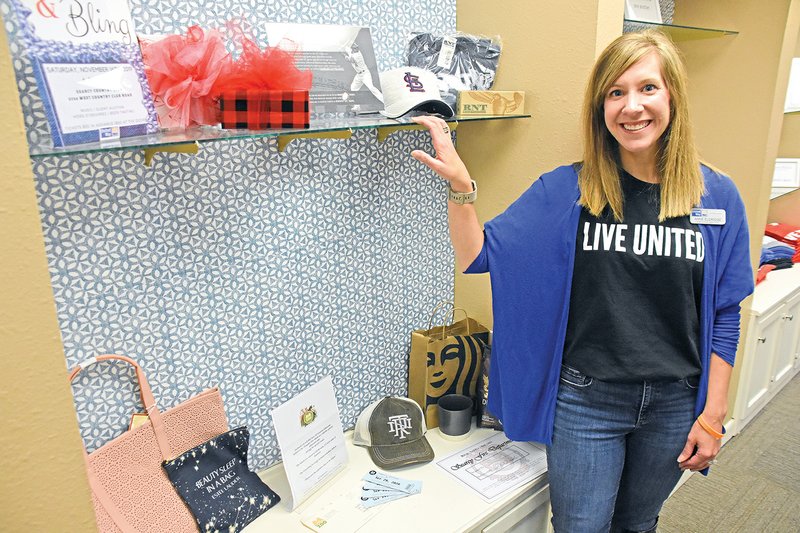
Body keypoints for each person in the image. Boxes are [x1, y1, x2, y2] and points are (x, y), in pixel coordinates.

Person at [410, 30, 754, 533]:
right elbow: (479, 255)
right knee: (581, 526)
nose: (631, 107)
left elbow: (726, 311)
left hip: (675, 401)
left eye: (647, 88)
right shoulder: (569, 190)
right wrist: (462, 189)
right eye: (615, 93)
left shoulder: (717, 195)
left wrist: (713, 414)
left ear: (673, 95)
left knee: (639, 523)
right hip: (586, 402)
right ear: (600, 108)